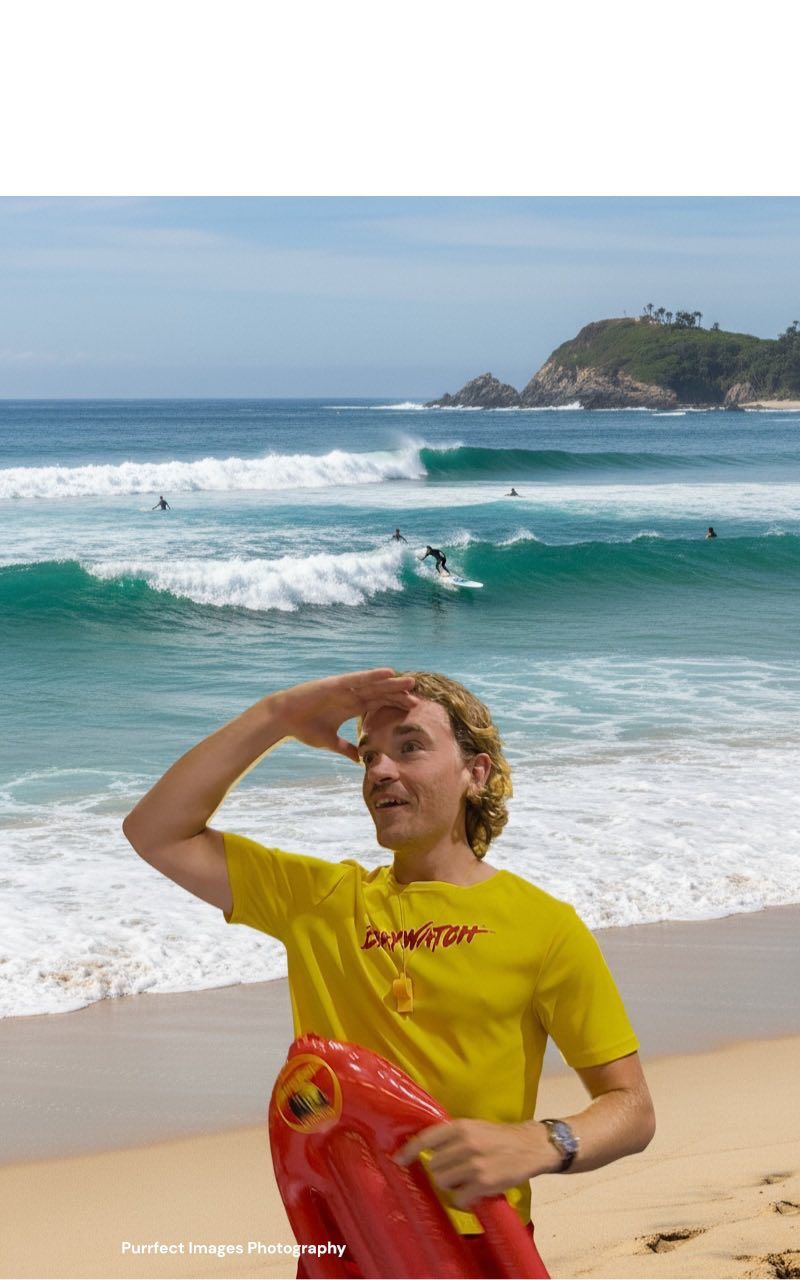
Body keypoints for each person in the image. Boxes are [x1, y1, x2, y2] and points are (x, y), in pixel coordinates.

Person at [123, 668, 655, 1270]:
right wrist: (277, 716)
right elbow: (156, 831)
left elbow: (631, 1109)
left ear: (475, 773)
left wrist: (543, 1141)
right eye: (369, 755)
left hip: (477, 1248)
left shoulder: (544, 925)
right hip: (346, 1246)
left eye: (410, 747)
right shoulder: (321, 901)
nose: (379, 770)